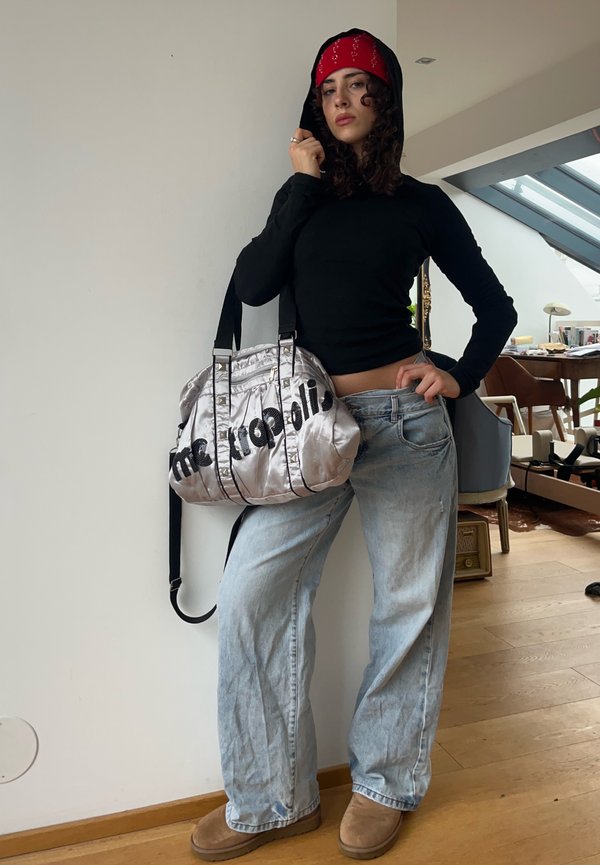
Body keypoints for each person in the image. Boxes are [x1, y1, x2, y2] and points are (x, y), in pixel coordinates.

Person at [191, 28, 517, 861]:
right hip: (307, 429)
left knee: (407, 607)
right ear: (315, 105)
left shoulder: (421, 202)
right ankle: (269, 799)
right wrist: (299, 186)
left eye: (359, 86)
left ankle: (385, 783)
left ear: (386, 102)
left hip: (405, 425)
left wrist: (455, 373)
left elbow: (496, 307)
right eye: (329, 88)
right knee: (253, 597)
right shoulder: (298, 196)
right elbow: (257, 283)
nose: (342, 99)